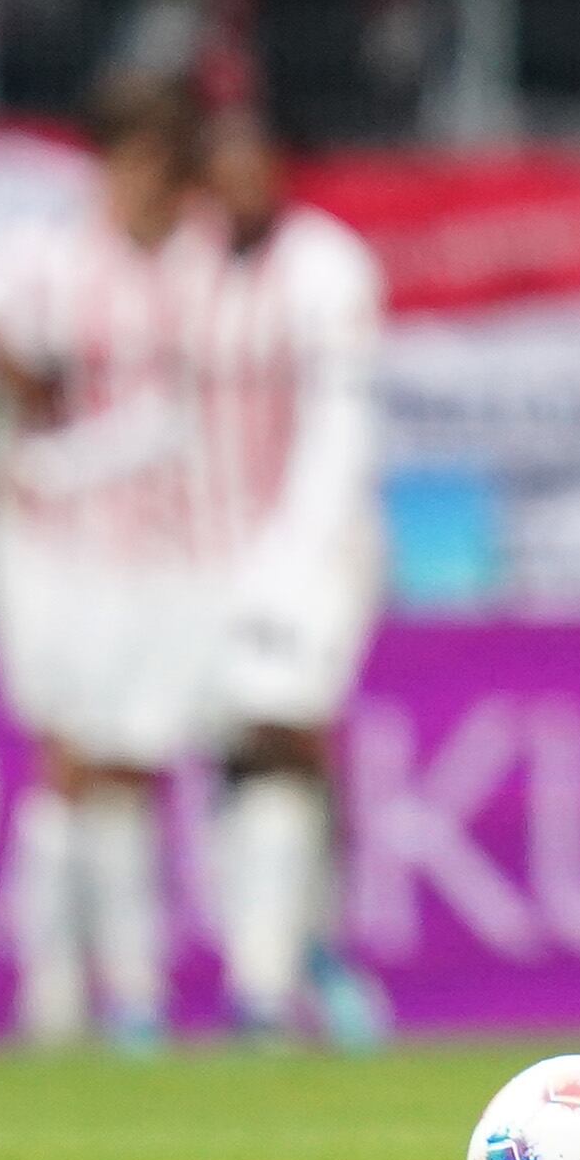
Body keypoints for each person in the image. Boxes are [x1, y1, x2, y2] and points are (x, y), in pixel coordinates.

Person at [0, 70, 220, 1050]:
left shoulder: (203, 271)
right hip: (43, 538)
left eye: (167, 169)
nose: (151, 188)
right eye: (136, 163)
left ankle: (131, 983)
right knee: (69, 747)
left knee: (132, 755)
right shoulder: (28, 261)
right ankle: (50, 982)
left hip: (162, 550)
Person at [189, 105, 394, 1046]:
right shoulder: (187, 272)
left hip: (313, 555)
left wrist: (283, 566)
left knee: (283, 733)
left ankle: (265, 984)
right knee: (241, 751)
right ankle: (303, 945)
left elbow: (338, 435)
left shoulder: (329, 268)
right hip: (203, 557)